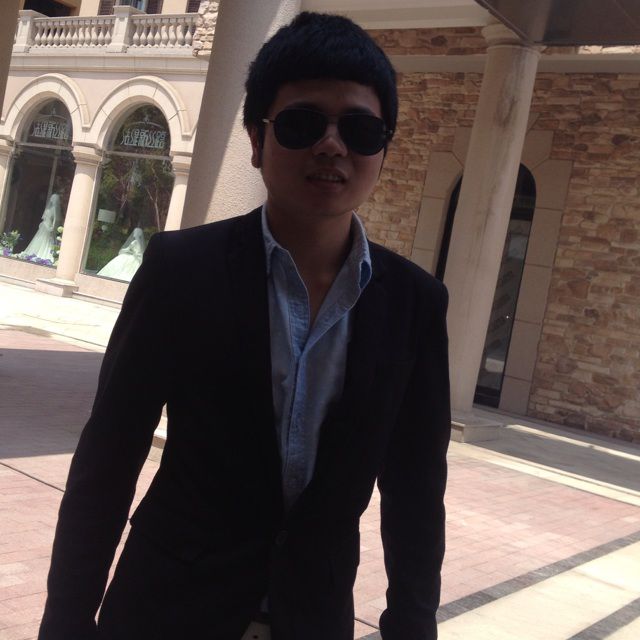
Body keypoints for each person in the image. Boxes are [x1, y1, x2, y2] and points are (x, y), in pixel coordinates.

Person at [38, 12, 450, 640]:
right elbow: (110, 456)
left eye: (360, 129)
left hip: (312, 618)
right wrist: (66, 621)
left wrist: (413, 626)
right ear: (257, 141)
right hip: (166, 611)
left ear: (382, 151)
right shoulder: (180, 270)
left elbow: (415, 490)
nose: (332, 146)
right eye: (303, 123)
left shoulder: (416, 304)